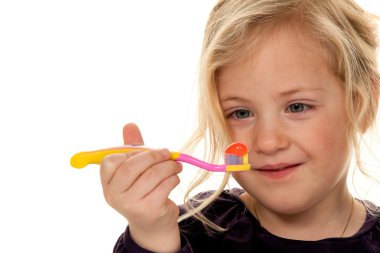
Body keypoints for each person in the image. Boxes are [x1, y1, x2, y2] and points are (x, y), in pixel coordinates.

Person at [100, 0, 380, 252]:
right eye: (241, 112)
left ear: (362, 105)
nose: (267, 142)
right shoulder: (197, 232)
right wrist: (152, 232)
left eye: (296, 107)